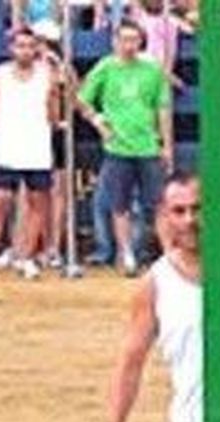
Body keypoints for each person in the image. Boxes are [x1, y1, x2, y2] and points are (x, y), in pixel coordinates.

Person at [93, 173, 202, 422]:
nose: (189, 220)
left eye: (197, 209)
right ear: (163, 217)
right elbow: (130, 363)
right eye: (179, 211)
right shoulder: (156, 284)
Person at [77, 20, 174, 276]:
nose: (129, 45)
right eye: (124, 40)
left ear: (141, 42)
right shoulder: (106, 68)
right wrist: (99, 123)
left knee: (158, 204)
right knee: (119, 204)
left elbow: (162, 108)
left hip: (148, 146)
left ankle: (168, 255)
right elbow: (82, 99)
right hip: (118, 147)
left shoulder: (152, 69)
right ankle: (126, 252)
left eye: (134, 39)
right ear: (115, 42)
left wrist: (166, 145)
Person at [0, 27, 60, 282]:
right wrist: (0, 134)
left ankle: (25, 257)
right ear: (11, 48)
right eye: (19, 45)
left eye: (29, 45)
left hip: (37, 150)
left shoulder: (48, 75)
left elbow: (55, 111)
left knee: (37, 206)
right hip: (8, 151)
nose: (25, 50)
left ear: (36, 48)